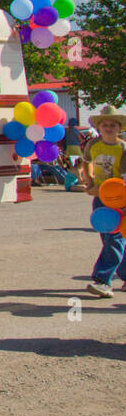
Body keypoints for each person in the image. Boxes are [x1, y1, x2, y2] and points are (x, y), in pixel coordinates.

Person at [81, 105, 125, 298]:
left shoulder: (122, 148)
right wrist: (89, 180)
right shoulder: (93, 144)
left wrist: (107, 190)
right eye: (105, 124)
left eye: (113, 125)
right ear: (99, 127)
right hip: (99, 198)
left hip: (118, 199)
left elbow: (124, 177)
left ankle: (102, 280)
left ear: (119, 128)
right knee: (109, 238)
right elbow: (86, 161)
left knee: (114, 238)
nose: (108, 127)